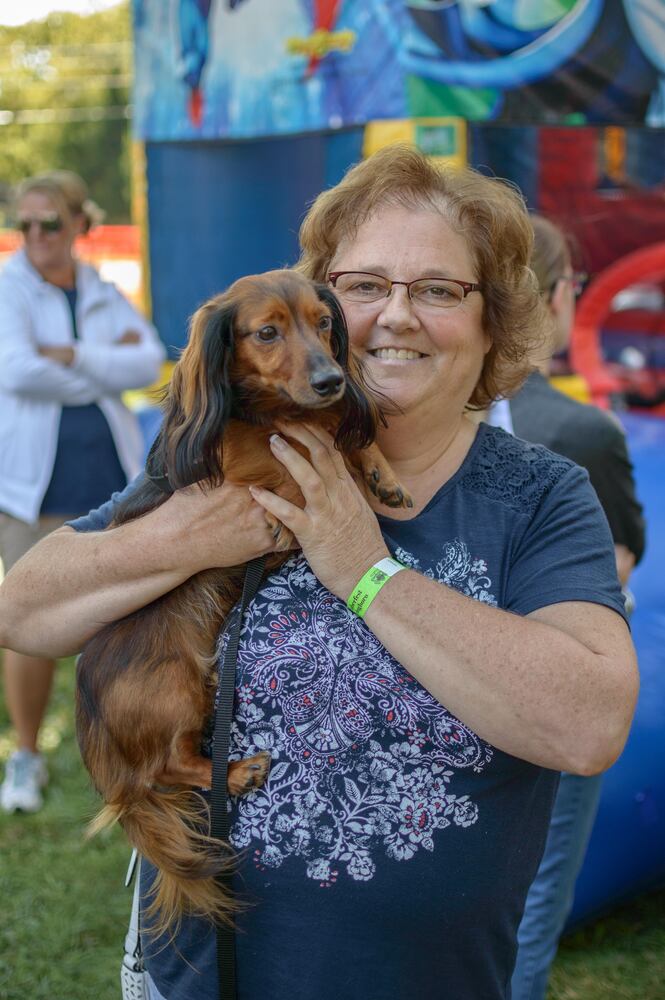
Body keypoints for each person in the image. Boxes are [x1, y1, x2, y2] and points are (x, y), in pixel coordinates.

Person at [0, 146, 638, 1000]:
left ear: (493, 323)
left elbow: (588, 726)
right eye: (364, 286)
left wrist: (365, 570)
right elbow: (22, 611)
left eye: (439, 290)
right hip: (198, 979)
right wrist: (186, 536)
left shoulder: (539, 495)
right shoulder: (223, 454)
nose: (394, 317)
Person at [486, 214, 645, 1000]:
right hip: (548, 684)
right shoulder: (579, 432)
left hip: (449, 674)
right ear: (555, 296)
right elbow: (614, 559)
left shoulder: (423, 423)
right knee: (539, 888)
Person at [0, 170, 165, 814]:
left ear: (77, 224)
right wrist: (101, 363)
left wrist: (69, 354)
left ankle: (127, 750)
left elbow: (147, 361)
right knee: (30, 625)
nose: (36, 235)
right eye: (24, 223)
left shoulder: (100, 288)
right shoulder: (9, 287)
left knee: (122, 623)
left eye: (49, 223)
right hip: (30, 491)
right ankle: (26, 754)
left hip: (109, 485)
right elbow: (17, 371)